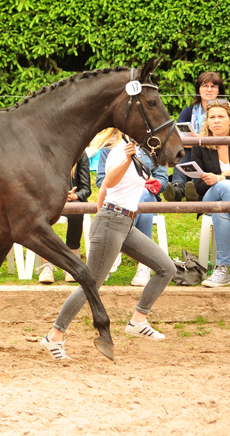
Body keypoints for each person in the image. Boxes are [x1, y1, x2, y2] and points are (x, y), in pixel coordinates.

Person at [40, 128, 176, 360]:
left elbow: (104, 191)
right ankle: (54, 337)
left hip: (124, 223)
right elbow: (109, 182)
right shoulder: (118, 152)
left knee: (167, 268)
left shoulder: (141, 154)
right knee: (90, 285)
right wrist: (126, 158)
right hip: (112, 222)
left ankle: (138, 320)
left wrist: (102, 214)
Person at [96, 133, 169, 287]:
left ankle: (116, 247)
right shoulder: (110, 146)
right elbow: (102, 180)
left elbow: (163, 180)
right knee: (141, 204)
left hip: (145, 198)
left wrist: (149, 182)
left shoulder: (154, 145)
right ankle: (144, 264)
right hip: (120, 200)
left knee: (143, 195)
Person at [165, 71, 226, 202]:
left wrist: (200, 139)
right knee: (184, 150)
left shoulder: (226, 110)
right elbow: (176, 136)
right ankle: (178, 188)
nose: (209, 90)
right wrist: (190, 141)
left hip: (214, 151)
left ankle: (194, 188)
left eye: (213, 86)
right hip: (190, 149)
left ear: (219, 90)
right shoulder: (189, 111)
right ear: (198, 89)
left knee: (198, 148)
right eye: (205, 86)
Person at [192, 99, 230, 287]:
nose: (216, 120)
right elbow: (198, 187)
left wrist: (221, 177)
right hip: (209, 197)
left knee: (222, 210)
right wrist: (215, 181)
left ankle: (222, 268)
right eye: (212, 117)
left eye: (221, 116)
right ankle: (222, 268)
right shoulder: (200, 145)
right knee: (224, 189)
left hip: (222, 206)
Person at [37, 152, 91, 284]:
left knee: (76, 212)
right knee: (40, 214)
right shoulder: (45, 152)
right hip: (50, 201)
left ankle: (70, 265)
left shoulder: (80, 155)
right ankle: (47, 265)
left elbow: (86, 188)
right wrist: (56, 196)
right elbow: (38, 185)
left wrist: (75, 196)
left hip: (72, 201)